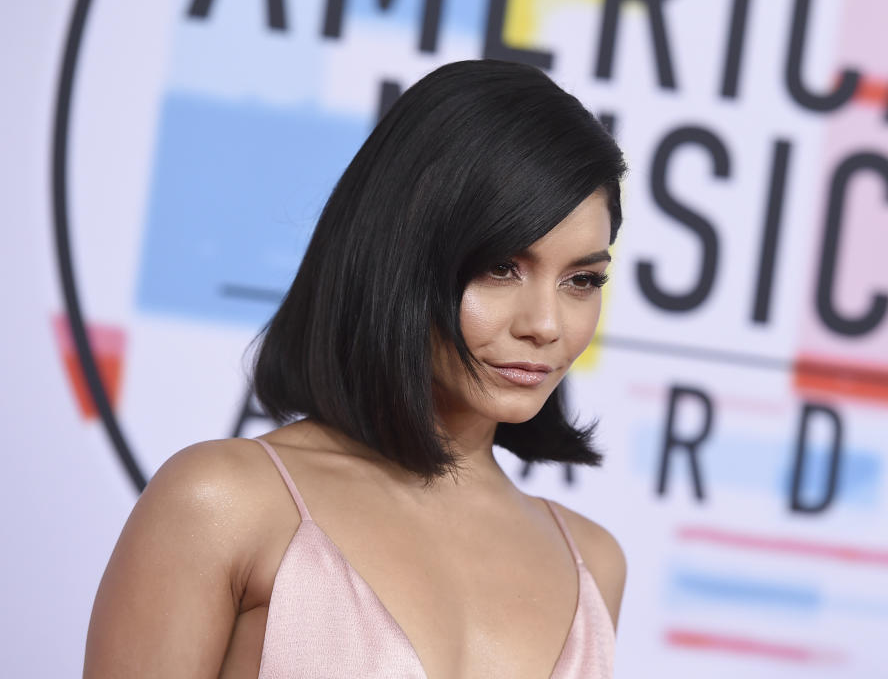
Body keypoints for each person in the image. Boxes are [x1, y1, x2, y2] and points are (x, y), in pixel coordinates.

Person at [84, 59, 628, 678]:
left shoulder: (593, 565)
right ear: (403, 256)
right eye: (501, 267)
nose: (546, 324)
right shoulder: (223, 503)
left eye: (582, 279)